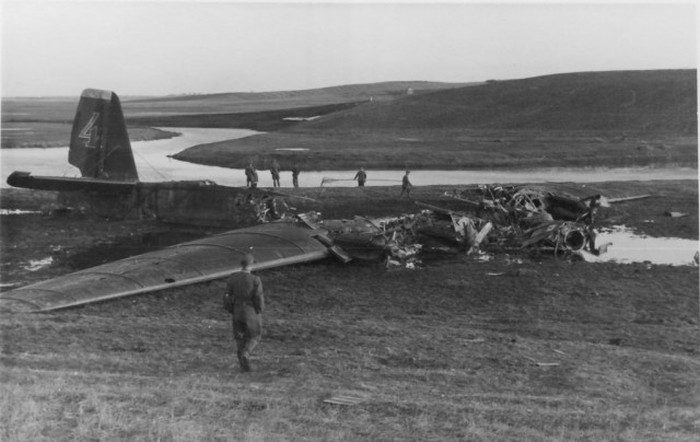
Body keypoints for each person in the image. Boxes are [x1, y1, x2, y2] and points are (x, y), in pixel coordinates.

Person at [223, 253, 264, 372]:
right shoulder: (255, 279)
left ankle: (243, 367)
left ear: (241, 265)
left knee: (239, 337)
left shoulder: (232, 278)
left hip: (237, 311)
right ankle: (246, 354)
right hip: (250, 312)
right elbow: (258, 297)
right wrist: (259, 310)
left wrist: (230, 309)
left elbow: (226, 296)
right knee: (255, 336)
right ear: (251, 266)